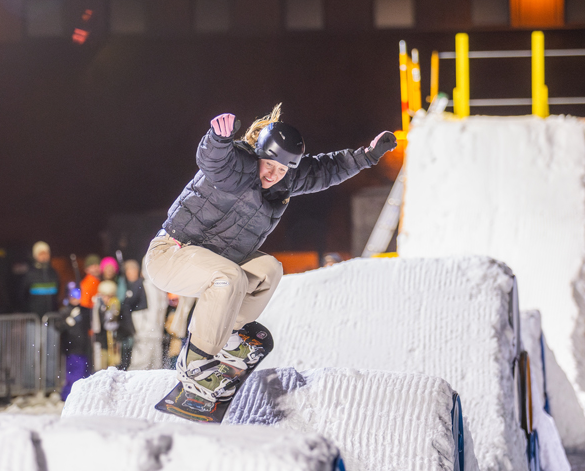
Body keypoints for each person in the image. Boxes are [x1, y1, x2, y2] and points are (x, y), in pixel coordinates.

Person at [143, 105, 396, 402]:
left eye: (282, 170)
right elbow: (212, 159)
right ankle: (195, 365)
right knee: (229, 276)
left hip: (213, 261)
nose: (274, 175)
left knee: (269, 270)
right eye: (270, 166)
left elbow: (326, 170)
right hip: (171, 253)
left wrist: (366, 156)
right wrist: (217, 138)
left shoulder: (285, 179)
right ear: (258, 156)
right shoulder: (237, 166)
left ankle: (228, 337)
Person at [54, 284, 92, 400]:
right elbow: (58, 326)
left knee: (85, 372)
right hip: (71, 347)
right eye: (73, 295)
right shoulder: (64, 311)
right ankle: (68, 396)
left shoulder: (84, 311)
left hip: (84, 346)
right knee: (73, 374)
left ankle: (82, 395)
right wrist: (69, 320)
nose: (76, 298)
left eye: (78, 295)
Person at [118, 260, 148, 370]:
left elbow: (128, 304)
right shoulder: (125, 285)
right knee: (128, 352)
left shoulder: (139, 284)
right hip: (128, 327)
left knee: (136, 352)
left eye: (133, 270)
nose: (131, 273)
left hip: (138, 324)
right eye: (128, 271)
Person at [21, 241, 60, 318]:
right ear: (35, 256)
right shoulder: (30, 273)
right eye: (41, 254)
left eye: (46, 253)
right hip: (34, 319)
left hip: (51, 318)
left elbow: (58, 290)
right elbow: (23, 295)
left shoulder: (53, 272)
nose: (44, 256)